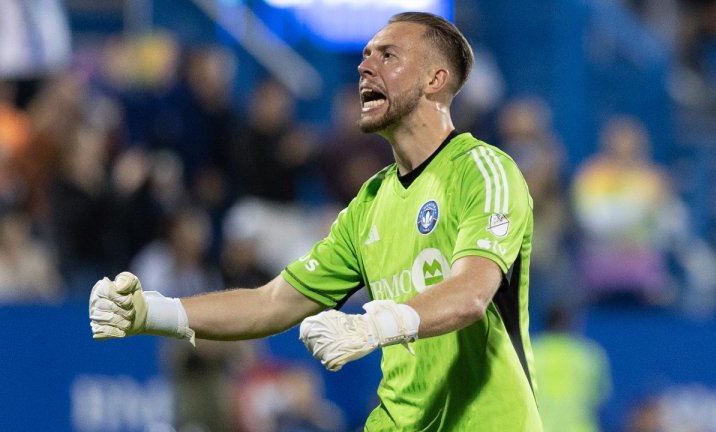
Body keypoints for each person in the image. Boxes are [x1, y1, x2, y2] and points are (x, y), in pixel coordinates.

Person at [89, 12, 541, 431]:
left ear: (435, 79)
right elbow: (271, 303)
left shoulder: (483, 171)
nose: (366, 67)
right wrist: (154, 311)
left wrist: (374, 327)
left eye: (388, 55)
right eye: (365, 56)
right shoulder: (369, 204)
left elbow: (471, 294)